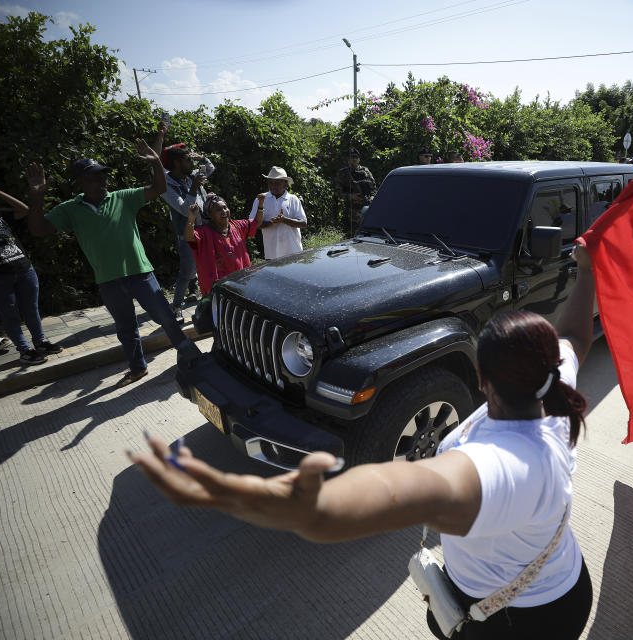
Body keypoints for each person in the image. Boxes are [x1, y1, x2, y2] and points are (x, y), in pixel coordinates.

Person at [130, 241, 599, 640]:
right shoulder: (557, 391)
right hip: (559, 584)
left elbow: (376, 500)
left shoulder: (500, 466)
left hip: (516, 621)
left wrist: (237, 493)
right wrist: (589, 270)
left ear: (481, 375)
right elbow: (577, 334)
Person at [25, 141, 188, 388]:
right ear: (80, 182)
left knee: (165, 317)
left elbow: (158, 188)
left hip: (141, 273)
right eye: (95, 178)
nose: (104, 182)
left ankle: (191, 357)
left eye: (104, 176)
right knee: (126, 328)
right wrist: (37, 197)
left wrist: (156, 162)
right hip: (108, 280)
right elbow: (38, 229)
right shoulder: (70, 210)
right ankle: (138, 368)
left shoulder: (124, 197)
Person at [0, 181, 61, 365]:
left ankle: (40, 342)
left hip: (24, 269)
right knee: (9, 314)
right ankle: (25, 350)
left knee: (31, 309)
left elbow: (24, 209)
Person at [156, 125, 216, 323]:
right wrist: (195, 188)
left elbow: (211, 168)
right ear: (176, 163)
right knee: (187, 271)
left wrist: (201, 159)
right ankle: (176, 307)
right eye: (188, 159)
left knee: (207, 267)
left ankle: (206, 299)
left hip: (205, 230)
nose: (191, 162)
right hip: (187, 234)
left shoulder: (189, 176)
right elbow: (184, 209)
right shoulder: (167, 186)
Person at [187, 193, 263, 295]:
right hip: (218, 288)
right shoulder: (204, 233)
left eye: (225, 207)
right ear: (210, 215)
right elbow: (189, 238)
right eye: (218, 209)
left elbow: (256, 223)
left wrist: (261, 204)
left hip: (241, 282)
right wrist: (191, 219)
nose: (224, 211)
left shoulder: (237, 226)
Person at [248, 167, 307, 260]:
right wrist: (271, 223)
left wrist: (284, 220)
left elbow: (303, 223)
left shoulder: (293, 199)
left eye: (277, 183)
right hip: (271, 254)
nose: (273, 186)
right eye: (270, 183)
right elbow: (252, 225)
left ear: (285, 184)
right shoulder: (261, 199)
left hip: (293, 252)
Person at [335, 148, 377, 235]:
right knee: (351, 236)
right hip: (351, 211)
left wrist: (371, 198)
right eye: (352, 157)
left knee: (368, 234)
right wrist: (351, 196)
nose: (354, 159)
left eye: (356, 157)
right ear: (348, 159)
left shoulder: (366, 171)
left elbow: (373, 188)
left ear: (359, 159)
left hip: (366, 208)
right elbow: (338, 192)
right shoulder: (343, 173)